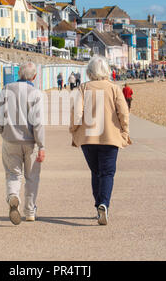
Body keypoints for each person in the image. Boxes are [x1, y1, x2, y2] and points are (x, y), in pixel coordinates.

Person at [70, 56, 132, 226]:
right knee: (107, 173)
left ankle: (99, 205)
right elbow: (123, 113)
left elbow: (77, 113)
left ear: (89, 72)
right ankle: (103, 204)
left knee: (96, 172)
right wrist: (125, 132)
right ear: (106, 71)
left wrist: (74, 130)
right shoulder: (114, 88)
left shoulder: (83, 88)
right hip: (110, 137)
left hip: (88, 138)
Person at [0, 62, 45, 225]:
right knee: (32, 177)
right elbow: (37, 123)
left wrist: (2, 131)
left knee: (13, 173)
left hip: (10, 140)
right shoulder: (35, 93)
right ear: (34, 76)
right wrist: (41, 145)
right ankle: (30, 211)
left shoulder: (6, 89)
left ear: (19, 74)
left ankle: (12, 196)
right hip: (30, 142)